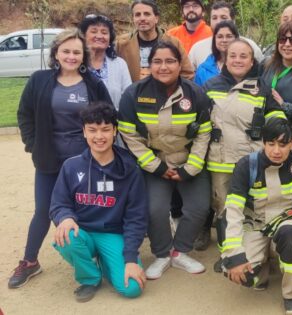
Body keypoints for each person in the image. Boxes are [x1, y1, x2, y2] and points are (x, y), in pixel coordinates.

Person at [9, 28, 112, 289]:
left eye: (77, 52)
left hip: (86, 160)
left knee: (89, 210)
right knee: (44, 210)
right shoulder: (40, 80)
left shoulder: (92, 83)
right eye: (66, 51)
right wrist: (32, 144)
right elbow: (25, 114)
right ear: (56, 53)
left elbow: (109, 115)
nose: (71, 56)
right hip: (49, 159)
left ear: (83, 56)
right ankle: (30, 262)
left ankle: (93, 260)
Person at [118, 40, 212, 280]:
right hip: (154, 164)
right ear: (149, 66)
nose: (164, 67)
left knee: (199, 207)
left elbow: (204, 132)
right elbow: (129, 135)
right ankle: (162, 253)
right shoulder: (134, 94)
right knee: (154, 209)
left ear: (180, 64)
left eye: (170, 61)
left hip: (189, 162)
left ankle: (178, 252)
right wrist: (157, 167)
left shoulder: (195, 93)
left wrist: (190, 168)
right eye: (157, 61)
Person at [49, 102, 148, 302]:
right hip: (82, 232)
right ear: (84, 132)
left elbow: (136, 218)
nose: (99, 136)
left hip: (112, 234)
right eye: (92, 130)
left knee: (132, 289)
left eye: (105, 129)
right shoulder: (71, 166)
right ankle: (90, 278)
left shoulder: (130, 169)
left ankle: (107, 261)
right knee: (66, 234)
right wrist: (65, 217)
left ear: (115, 131)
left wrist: (130, 259)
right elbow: (59, 203)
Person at [219, 118, 292, 315]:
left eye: (283, 144)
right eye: (271, 144)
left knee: (290, 236)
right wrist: (234, 255)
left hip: (288, 221)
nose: (276, 151)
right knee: (242, 276)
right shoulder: (246, 166)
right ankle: (261, 269)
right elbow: (234, 211)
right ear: (263, 142)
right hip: (256, 225)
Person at [203, 39, 285, 255]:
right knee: (223, 209)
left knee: (254, 208)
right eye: (233, 55)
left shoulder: (263, 89)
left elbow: (277, 119)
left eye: (243, 56)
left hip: (252, 160)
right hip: (220, 161)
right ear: (225, 59)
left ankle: (254, 253)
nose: (237, 60)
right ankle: (227, 254)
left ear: (252, 62)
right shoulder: (211, 86)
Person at [116, 0, 194, 82]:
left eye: (147, 14)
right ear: (133, 19)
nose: (142, 18)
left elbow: (187, 74)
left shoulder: (173, 43)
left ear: (156, 18)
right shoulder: (121, 45)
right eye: (138, 15)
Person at [188, 1, 263, 69]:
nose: (218, 22)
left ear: (233, 21)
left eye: (223, 17)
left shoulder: (250, 46)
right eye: (214, 18)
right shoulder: (197, 49)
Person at [79, 14, 132, 107]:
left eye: (104, 32)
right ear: (83, 36)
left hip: (113, 119)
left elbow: (129, 97)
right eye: (94, 31)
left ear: (110, 39)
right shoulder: (76, 62)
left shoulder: (119, 64)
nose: (99, 36)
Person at [194, 20, 239, 86]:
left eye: (229, 36)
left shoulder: (244, 66)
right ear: (214, 39)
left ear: (236, 38)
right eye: (220, 36)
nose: (224, 40)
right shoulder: (203, 69)